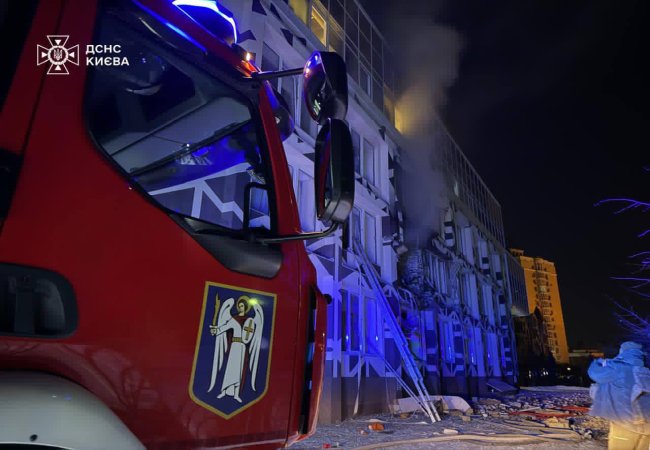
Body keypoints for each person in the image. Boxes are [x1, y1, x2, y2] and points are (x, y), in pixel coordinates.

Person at [588, 341, 650, 449]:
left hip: (625, 423)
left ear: (623, 352)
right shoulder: (645, 372)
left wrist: (597, 361)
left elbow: (594, 373)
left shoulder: (618, 368)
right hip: (647, 425)